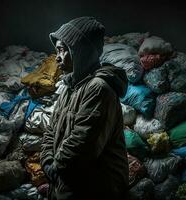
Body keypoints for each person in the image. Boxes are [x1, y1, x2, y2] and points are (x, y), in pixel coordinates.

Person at [40, 16, 129, 200]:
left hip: (95, 188)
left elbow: (83, 144)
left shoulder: (99, 88)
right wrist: (48, 161)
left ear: (80, 51)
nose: (57, 57)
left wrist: (55, 168)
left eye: (62, 50)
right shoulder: (69, 88)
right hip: (68, 181)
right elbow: (51, 130)